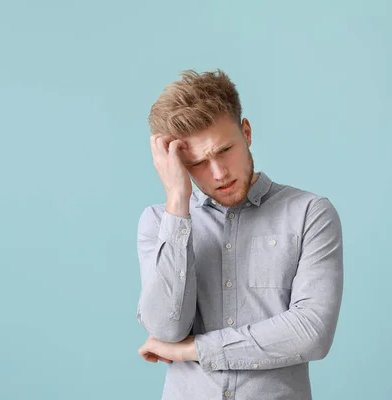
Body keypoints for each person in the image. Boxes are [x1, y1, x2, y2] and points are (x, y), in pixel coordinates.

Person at [136, 69, 344, 400]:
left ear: (246, 132)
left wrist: (195, 349)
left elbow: (312, 332)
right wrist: (178, 202)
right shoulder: (158, 222)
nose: (218, 173)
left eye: (224, 151)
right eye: (199, 163)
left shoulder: (309, 214)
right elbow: (165, 330)